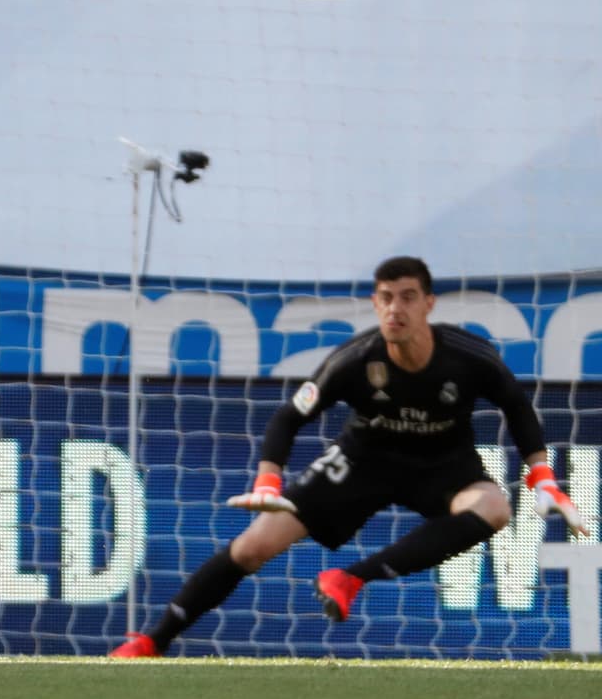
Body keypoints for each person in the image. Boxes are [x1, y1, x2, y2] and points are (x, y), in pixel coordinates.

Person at [111, 255, 586, 658]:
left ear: (428, 304)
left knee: (495, 508)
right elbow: (287, 419)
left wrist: (541, 474)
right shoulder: (355, 360)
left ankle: (350, 579)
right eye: (384, 297)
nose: (394, 308)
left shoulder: (469, 356)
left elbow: (517, 407)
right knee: (254, 546)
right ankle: (153, 641)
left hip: (444, 463)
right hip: (363, 460)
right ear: (375, 303)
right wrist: (267, 482)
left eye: (405, 296)